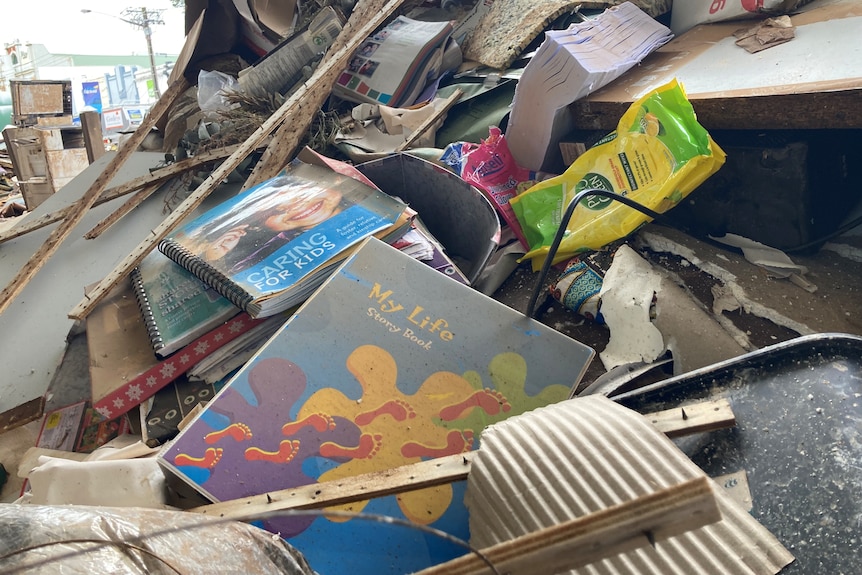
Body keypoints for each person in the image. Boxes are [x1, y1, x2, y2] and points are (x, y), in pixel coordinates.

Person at [181, 175, 353, 275]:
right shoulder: (273, 251)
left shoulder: (367, 205)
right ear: (259, 227)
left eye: (300, 195)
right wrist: (215, 258)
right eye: (275, 212)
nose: (295, 207)